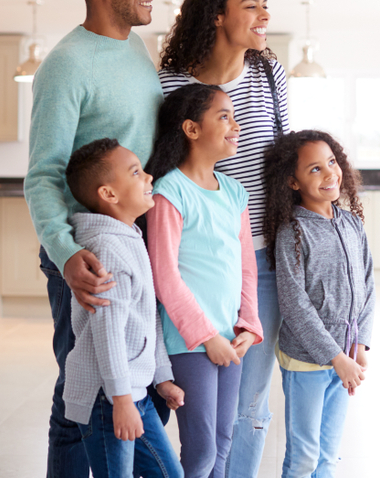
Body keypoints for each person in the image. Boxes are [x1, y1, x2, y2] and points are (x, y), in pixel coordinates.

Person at [24, 0, 163, 478]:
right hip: (89, 255)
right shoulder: (65, 65)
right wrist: (64, 254)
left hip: (134, 240)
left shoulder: (134, 47)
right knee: (79, 390)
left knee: (126, 378)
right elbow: (43, 174)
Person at [157, 0, 289, 477]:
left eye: (265, 4)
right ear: (217, 15)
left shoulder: (268, 74)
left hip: (262, 257)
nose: (264, 15)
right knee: (194, 412)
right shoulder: (170, 84)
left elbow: (280, 155)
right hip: (196, 263)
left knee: (248, 405)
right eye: (251, 5)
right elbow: (167, 165)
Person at [145, 83, 264, 478]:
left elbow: (247, 268)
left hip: (231, 338)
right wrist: (206, 336)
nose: (236, 124)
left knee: (224, 442)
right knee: (200, 451)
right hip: (191, 342)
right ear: (192, 129)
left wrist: (249, 325)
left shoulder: (235, 192)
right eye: (224, 116)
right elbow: (165, 277)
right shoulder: (169, 192)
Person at [61, 138, 184, 478]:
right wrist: (121, 400)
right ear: (109, 194)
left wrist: (162, 378)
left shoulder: (129, 237)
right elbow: (108, 333)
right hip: (108, 397)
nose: (148, 178)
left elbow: (147, 318)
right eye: (135, 172)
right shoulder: (108, 249)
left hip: (133, 392)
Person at [262, 130, 375, 478]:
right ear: (293, 182)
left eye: (331, 162)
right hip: (307, 362)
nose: (329, 173)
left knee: (329, 457)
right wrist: (336, 357)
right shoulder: (292, 232)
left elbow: (368, 284)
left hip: (345, 358)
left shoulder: (352, 224)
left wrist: (360, 343)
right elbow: (295, 305)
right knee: (304, 458)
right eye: (314, 169)